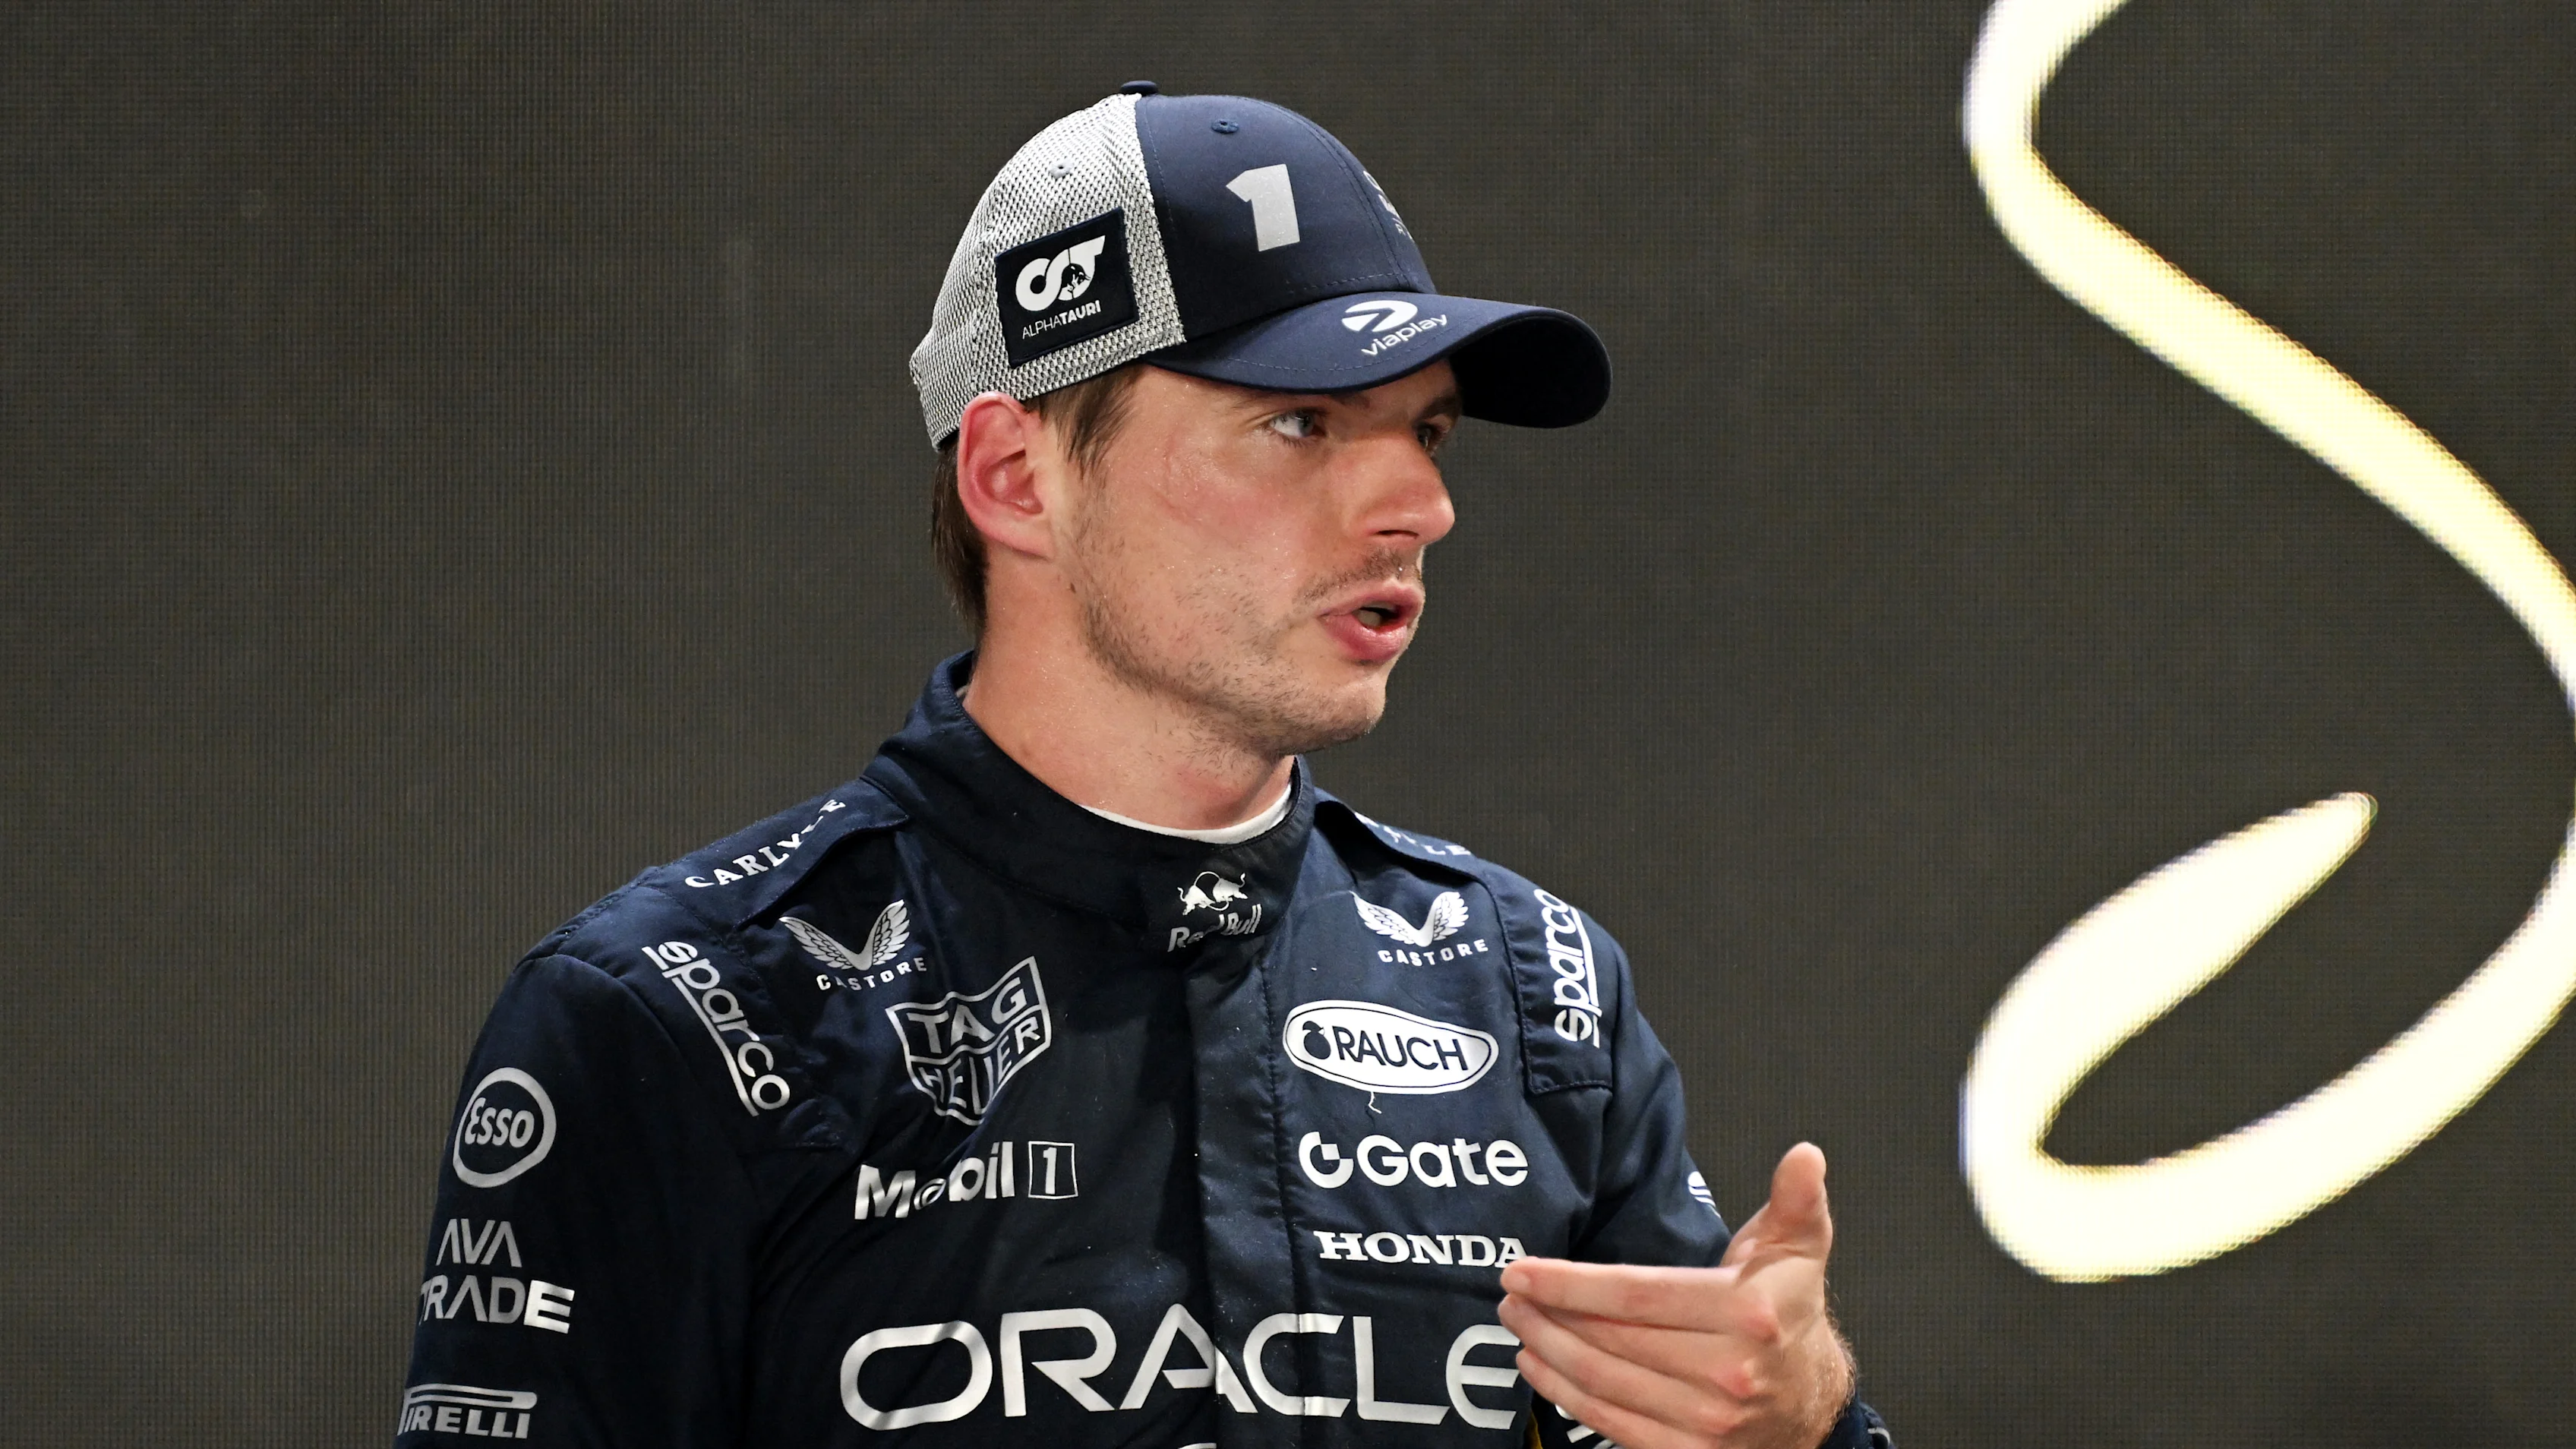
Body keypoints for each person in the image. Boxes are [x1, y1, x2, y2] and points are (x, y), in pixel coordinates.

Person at [398, 83, 1891, 1449]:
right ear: (1014, 476)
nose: (1419, 502)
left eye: (1425, 431)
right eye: (1298, 423)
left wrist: (1799, 1421)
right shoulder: (683, 1015)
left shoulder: (1534, 990)